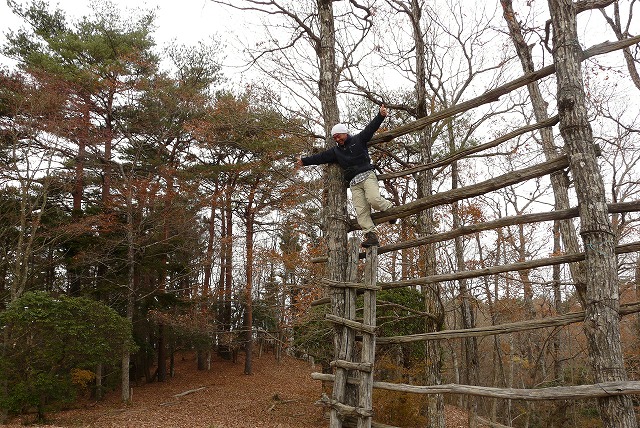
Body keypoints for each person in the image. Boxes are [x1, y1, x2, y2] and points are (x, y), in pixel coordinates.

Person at [296, 104, 395, 248]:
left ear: (345, 133)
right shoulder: (336, 152)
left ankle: (391, 209)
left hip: (367, 176)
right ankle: (371, 235)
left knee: (374, 200)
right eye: (334, 137)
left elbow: (371, 128)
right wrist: (304, 161)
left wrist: (381, 115)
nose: (337, 139)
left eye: (339, 136)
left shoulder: (359, 139)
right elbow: (321, 157)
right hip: (354, 183)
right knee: (361, 211)